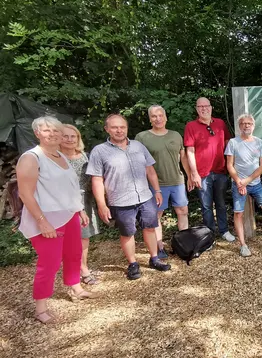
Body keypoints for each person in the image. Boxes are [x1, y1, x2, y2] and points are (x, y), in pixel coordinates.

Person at [17, 117, 98, 324]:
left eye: (55, 130)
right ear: (37, 133)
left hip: (69, 214)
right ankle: (41, 308)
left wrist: (79, 210)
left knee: (74, 254)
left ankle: (75, 287)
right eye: (46, 130)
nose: (52, 134)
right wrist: (42, 221)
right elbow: (25, 194)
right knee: (50, 263)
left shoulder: (60, 155)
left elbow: (70, 187)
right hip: (47, 218)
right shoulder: (31, 158)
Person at [87, 114, 171, 280]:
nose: (119, 130)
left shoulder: (138, 146)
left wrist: (158, 191)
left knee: (150, 227)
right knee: (127, 233)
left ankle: (154, 258)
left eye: (122, 127)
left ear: (127, 128)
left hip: (145, 196)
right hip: (120, 200)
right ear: (107, 129)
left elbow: (150, 170)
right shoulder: (99, 151)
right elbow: (97, 180)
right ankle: (133, 264)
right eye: (114, 127)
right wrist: (102, 205)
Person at [225, 113, 262, 257]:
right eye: (243, 123)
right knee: (238, 213)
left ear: (253, 126)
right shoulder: (233, 143)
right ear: (239, 126)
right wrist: (239, 181)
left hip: (255, 184)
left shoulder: (260, 143)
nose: (246, 126)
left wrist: (247, 180)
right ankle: (243, 245)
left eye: (249, 123)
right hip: (238, 184)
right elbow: (229, 165)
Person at [135, 105, 191, 259]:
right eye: (154, 116)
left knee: (183, 211)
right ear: (150, 119)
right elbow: (139, 162)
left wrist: (189, 176)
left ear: (166, 117)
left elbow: (183, 157)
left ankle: (183, 244)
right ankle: (159, 246)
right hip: (156, 184)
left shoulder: (175, 135)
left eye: (160, 115)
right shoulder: (142, 137)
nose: (158, 119)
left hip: (177, 181)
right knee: (157, 215)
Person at [184, 97, 236, 242]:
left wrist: (230, 166)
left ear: (211, 108)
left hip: (220, 171)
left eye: (206, 106)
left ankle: (224, 231)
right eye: (200, 106)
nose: (204, 109)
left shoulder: (220, 123)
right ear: (196, 109)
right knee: (206, 206)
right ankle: (210, 235)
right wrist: (194, 173)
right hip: (202, 174)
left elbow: (228, 145)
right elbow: (190, 151)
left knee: (221, 203)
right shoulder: (191, 126)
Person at [60, 124, 101, 285]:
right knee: (69, 239)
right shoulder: (56, 157)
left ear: (78, 138)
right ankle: (78, 271)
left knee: (84, 236)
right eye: (66, 136)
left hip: (86, 200)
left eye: (73, 136)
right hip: (65, 202)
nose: (70, 139)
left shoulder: (86, 156)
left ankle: (83, 267)